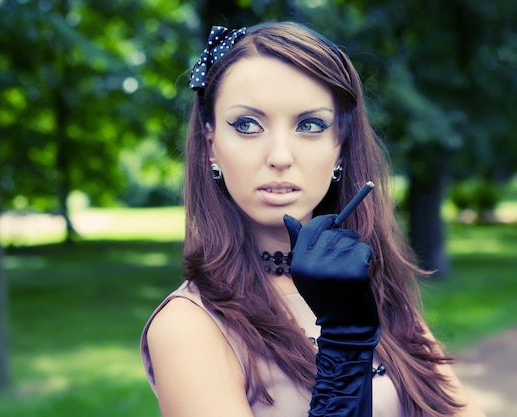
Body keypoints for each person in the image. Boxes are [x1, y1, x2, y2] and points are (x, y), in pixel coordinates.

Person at [140, 22, 486, 417]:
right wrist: (343, 343)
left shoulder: (370, 286)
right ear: (211, 143)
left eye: (309, 125)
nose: (281, 155)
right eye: (248, 125)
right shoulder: (188, 326)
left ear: (339, 146)